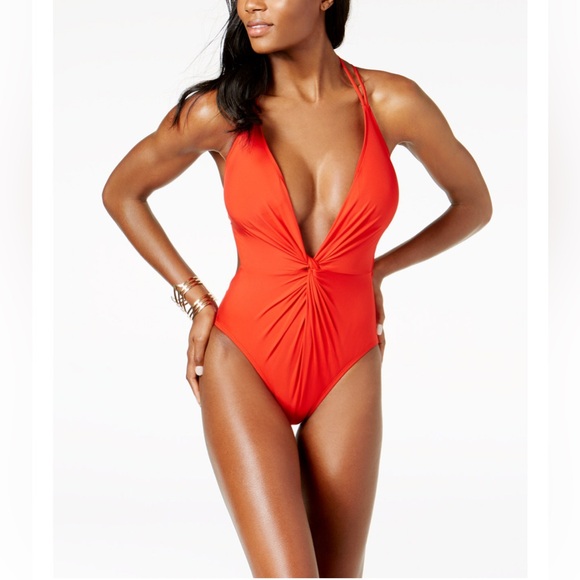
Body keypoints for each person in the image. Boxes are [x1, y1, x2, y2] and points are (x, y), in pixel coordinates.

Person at [102, 0, 492, 576]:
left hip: (349, 363)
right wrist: (196, 299)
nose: (251, 4)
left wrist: (378, 269)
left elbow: (474, 205)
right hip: (245, 360)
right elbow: (122, 192)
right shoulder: (223, 112)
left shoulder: (391, 103)